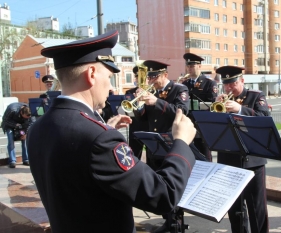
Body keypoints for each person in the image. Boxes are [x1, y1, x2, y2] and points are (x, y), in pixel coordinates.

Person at [27, 30, 197, 233]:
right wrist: (181, 142)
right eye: (108, 76)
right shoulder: (101, 139)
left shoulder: (37, 128)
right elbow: (163, 195)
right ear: (91, 74)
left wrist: (103, 129)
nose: (109, 87)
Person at [133, 60, 190, 233]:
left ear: (165, 74)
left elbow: (181, 111)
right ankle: (167, 220)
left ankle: (177, 223)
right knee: (160, 184)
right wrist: (139, 105)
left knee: (174, 185)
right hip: (154, 147)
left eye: (155, 76)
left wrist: (156, 101)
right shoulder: (152, 91)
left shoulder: (179, 90)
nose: (151, 80)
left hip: (172, 145)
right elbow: (142, 119)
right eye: (149, 77)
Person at [215, 65, 270, 233]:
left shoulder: (256, 96)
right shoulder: (222, 99)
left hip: (252, 160)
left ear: (242, 81)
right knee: (234, 207)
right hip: (228, 159)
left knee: (256, 206)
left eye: (233, 83)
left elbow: (264, 118)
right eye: (226, 84)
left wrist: (240, 109)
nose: (229, 88)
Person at [182, 53, 217, 161]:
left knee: (204, 157)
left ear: (199, 66)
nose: (189, 69)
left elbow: (212, 104)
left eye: (192, 66)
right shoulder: (185, 83)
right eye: (188, 66)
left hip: (202, 125)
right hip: (188, 125)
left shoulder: (209, 83)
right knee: (189, 157)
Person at [124, 65, 149, 159]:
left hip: (149, 127)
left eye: (142, 77)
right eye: (137, 77)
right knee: (134, 157)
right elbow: (127, 111)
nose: (139, 79)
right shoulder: (129, 93)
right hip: (135, 128)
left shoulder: (153, 92)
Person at [1, 103, 33, 168]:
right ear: (21, 113)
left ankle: (26, 159)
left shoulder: (28, 111)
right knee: (11, 140)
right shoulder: (12, 110)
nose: (26, 118)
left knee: (25, 141)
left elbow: (31, 123)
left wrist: (26, 134)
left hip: (22, 126)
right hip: (9, 125)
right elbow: (5, 120)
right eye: (25, 117)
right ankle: (12, 161)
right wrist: (15, 125)